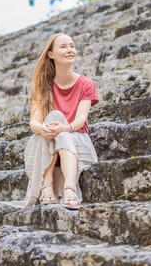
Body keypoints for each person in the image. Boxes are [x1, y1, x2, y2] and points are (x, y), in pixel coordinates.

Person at [23, 33, 99, 210]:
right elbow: (34, 122)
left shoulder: (86, 83)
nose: (70, 50)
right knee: (52, 120)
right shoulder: (41, 86)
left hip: (76, 139)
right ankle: (48, 183)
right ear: (51, 54)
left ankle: (68, 187)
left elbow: (81, 120)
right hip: (47, 141)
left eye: (72, 46)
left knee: (63, 133)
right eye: (63, 46)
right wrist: (43, 129)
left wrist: (65, 128)